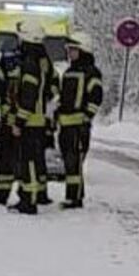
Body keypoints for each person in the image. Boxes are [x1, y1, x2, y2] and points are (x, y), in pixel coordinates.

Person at [11, 25, 59, 215]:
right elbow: (53, 85)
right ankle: (39, 194)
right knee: (37, 160)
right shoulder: (43, 60)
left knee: (28, 162)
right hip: (40, 120)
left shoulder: (29, 63)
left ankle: (28, 201)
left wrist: (19, 121)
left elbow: (28, 97)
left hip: (30, 122)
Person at [55, 32, 104, 209]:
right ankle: (75, 195)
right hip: (65, 125)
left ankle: (73, 198)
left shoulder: (91, 73)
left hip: (78, 126)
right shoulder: (69, 72)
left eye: (73, 49)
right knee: (70, 163)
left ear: (83, 50)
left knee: (74, 162)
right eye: (69, 49)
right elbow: (64, 98)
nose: (70, 53)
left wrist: (87, 117)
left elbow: (96, 97)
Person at [0, 41, 22, 206]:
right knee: (6, 160)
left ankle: (18, 195)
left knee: (11, 160)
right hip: (12, 121)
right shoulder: (4, 67)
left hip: (19, 121)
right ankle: (3, 194)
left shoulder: (26, 65)